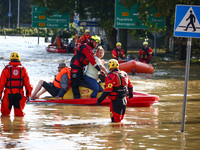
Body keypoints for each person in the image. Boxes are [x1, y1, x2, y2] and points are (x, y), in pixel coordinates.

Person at [0, 52, 33, 117]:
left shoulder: (6, 69)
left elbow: (1, 84)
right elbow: (28, 84)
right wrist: (28, 95)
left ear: (11, 59)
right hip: (19, 95)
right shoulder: (23, 69)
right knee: (19, 115)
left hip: (8, 94)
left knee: (5, 115)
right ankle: (19, 126)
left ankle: (5, 126)